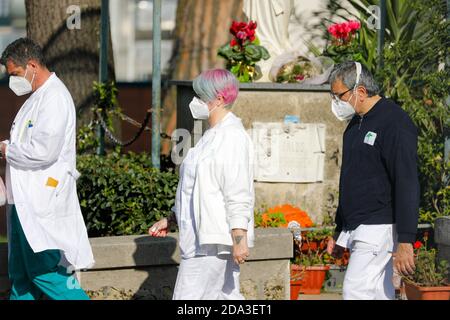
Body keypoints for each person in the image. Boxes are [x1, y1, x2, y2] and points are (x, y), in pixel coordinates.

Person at [0, 38, 94, 300]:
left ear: (32, 65)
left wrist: (6, 150)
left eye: (15, 74)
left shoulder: (55, 98)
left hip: (41, 201)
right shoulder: (36, 97)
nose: (13, 81)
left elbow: (44, 151)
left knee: (45, 271)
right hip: (22, 200)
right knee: (20, 275)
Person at [149, 69, 255, 300]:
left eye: (200, 96)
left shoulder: (232, 138)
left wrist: (240, 239)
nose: (194, 101)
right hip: (199, 239)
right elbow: (195, 189)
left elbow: (238, 192)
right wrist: (173, 218)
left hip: (210, 242)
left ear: (218, 99)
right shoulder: (211, 136)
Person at [326, 61, 420, 300]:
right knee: (378, 294)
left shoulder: (395, 123)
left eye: (339, 96)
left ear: (360, 91)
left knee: (355, 292)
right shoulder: (355, 125)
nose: (336, 103)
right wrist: (340, 231)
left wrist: (406, 240)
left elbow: (407, 181)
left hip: (379, 226)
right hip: (358, 225)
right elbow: (350, 179)